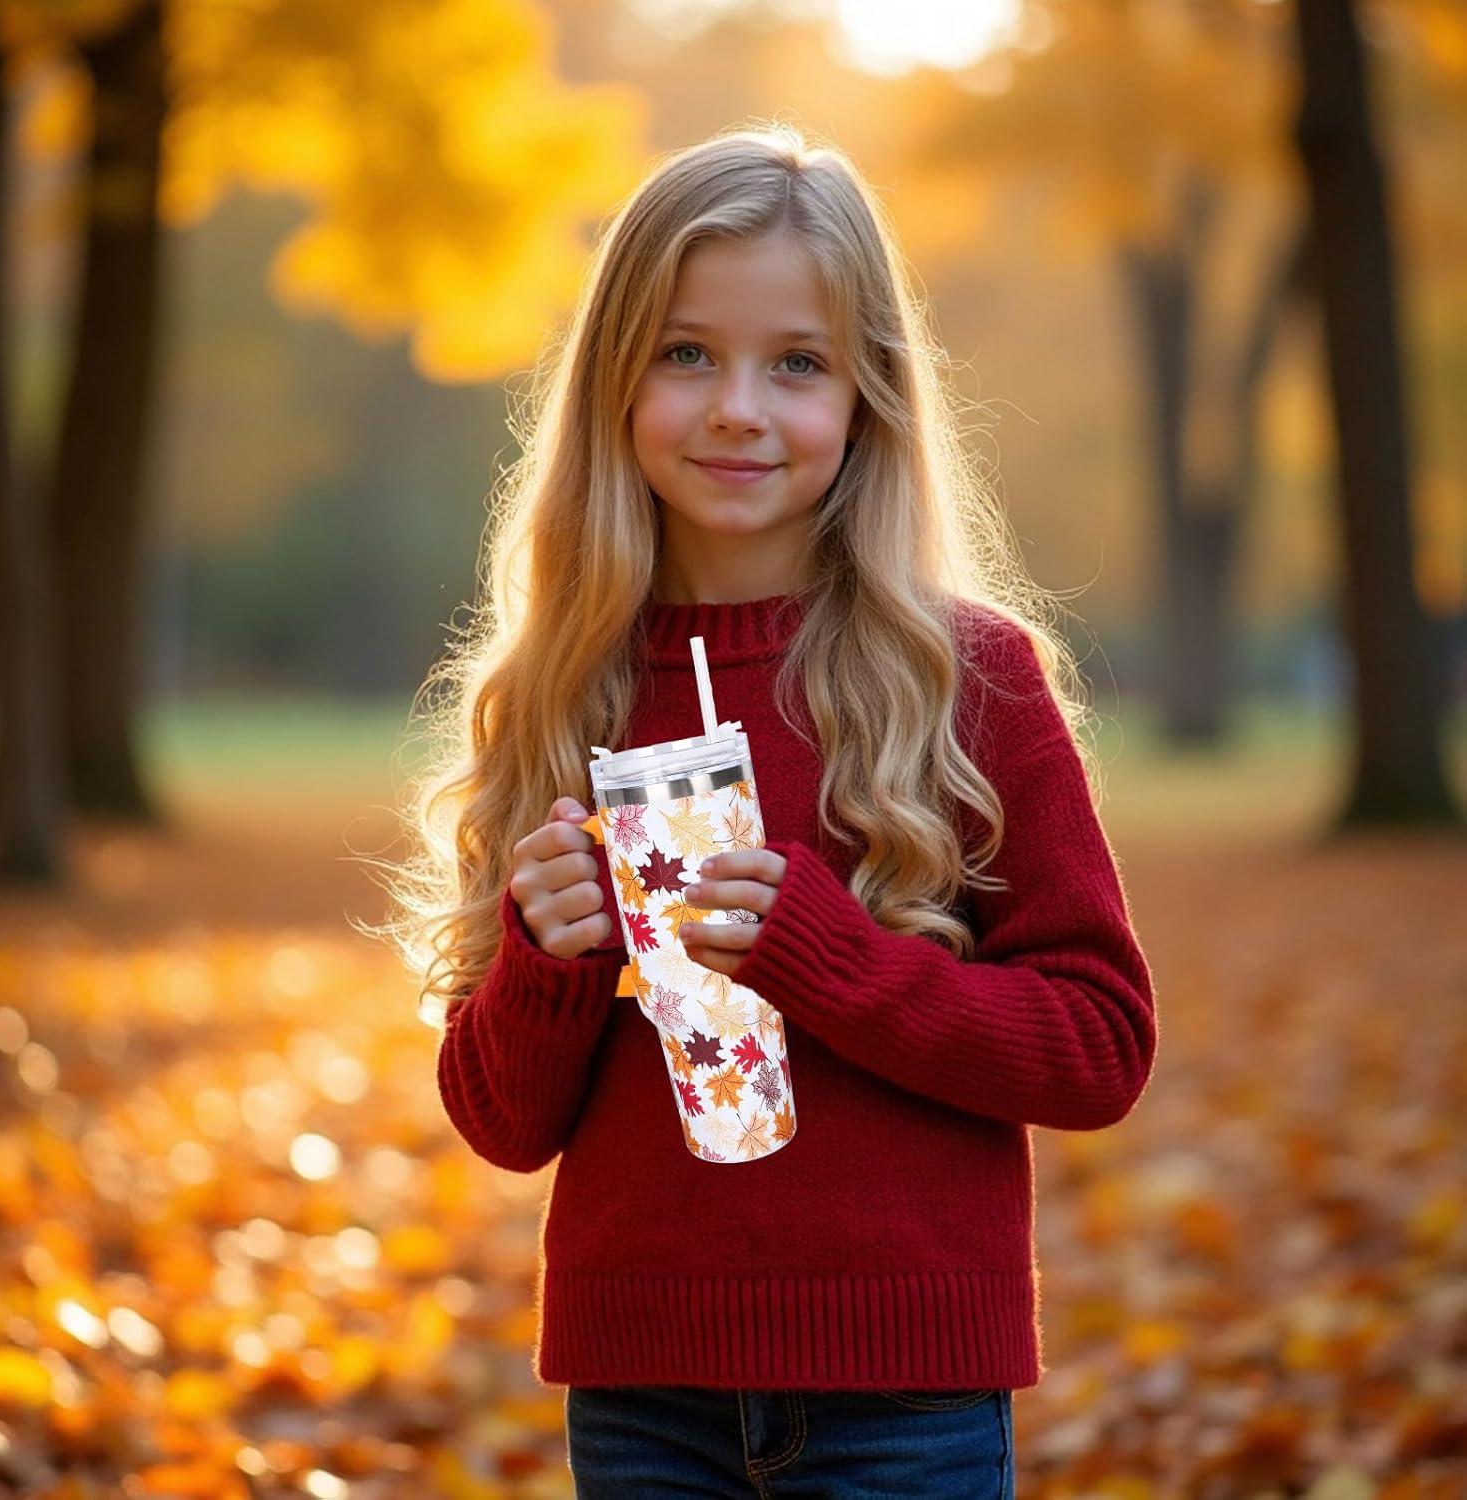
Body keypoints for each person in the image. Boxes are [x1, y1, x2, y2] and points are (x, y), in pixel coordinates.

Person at [376, 121, 1158, 1498]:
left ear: (870, 400)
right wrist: (548, 964)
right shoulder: (563, 687)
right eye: (687, 353)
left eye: (797, 363)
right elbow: (499, 1121)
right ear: (615, 384)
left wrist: (831, 956)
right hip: (641, 1393)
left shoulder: (965, 678)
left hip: (904, 1397)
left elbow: (1098, 1045)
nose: (740, 406)